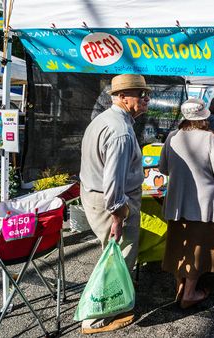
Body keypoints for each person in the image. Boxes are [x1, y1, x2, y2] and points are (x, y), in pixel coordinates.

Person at [78, 74, 149, 334]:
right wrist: (119, 215)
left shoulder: (106, 120)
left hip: (97, 195)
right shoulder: (119, 130)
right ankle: (97, 318)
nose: (146, 99)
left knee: (113, 255)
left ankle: (113, 300)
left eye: (145, 94)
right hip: (114, 202)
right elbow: (113, 181)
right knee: (116, 257)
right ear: (121, 97)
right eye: (140, 95)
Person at [159, 98, 214, 309]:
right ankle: (189, 293)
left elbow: (163, 167)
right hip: (201, 204)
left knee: (177, 246)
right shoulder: (208, 138)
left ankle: (179, 287)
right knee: (198, 248)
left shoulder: (172, 136)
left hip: (177, 203)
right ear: (204, 117)